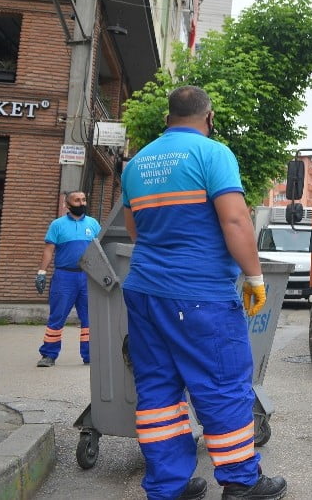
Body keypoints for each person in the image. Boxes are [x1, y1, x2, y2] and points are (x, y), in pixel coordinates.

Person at [120, 86, 286, 500]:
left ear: (167, 117)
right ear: (208, 117)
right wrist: (255, 276)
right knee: (223, 384)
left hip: (144, 291)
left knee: (158, 390)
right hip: (199, 294)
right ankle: (241, 482)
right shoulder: (213, 154)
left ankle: (168, 487)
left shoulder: (136, 163)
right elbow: (234, 221)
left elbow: (134, 231)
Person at [35, 190, 100, 367]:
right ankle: (49, 354)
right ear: (68, 205)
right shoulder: (57, 225)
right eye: (77, 200)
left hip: (87, 277)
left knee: (90, 318)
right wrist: (42, 272)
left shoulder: (93, 224)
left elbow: (100, 250)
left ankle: (90, 355)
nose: (81, 203)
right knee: (57, 316)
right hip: (64, 277)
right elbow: (49, 249)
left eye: (84, 199)